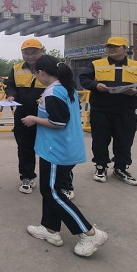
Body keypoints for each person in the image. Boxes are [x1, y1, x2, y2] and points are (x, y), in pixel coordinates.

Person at [24, 55, 109, 257]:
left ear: (41, 72)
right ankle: (50, 228)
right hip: (62, 147)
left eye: (36, 73)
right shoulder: (64, 88)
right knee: (49, 190)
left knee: (53, 193)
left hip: (56, 150)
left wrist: (33, 118)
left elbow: (58, 122)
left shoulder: (53, 92)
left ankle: (89, 232)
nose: (36, 77)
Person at [79, 36, 137, 186]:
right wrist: (95, 85)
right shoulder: (96, 64)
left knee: (124, 141)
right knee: (100, 140)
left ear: (125, 48)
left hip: (126, 111)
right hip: (101, 110)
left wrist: (136, 91)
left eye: (116, 46)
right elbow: (84, 79)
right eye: (109, 46)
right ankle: (100, 167)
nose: (112, 49)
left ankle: (121, 169)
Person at [5, 38, 47, 194]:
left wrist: (47, 94)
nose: (30, 56)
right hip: (23, 113)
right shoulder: (16, 68)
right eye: (26, 53)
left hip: (45, 113)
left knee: (48, 146)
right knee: (24, 146)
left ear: (42, 51)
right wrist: (11, 95)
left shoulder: (51, 66)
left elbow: (59, 84)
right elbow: (10, 85)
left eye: (34, 53)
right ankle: (27, 177)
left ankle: (52, 178)